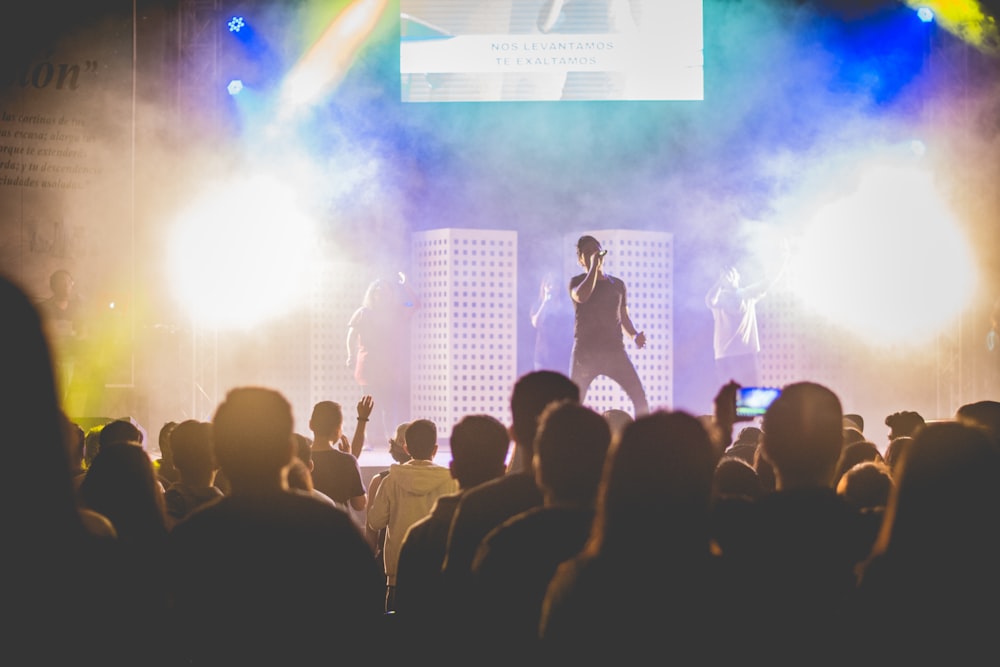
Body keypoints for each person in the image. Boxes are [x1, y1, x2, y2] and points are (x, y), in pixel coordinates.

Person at [167, 386, 384, 664]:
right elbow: (365, 623)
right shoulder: (333, 529)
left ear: (218, 454)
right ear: (289, 451)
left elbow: (178, 631)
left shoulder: (193, 536)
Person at [367, 419, 457, 612]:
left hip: (398, 575)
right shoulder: (451, 480)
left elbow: (375, 522)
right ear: (435, 449)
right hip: (438, 571)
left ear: (406, 448)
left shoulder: (390, 481)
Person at [568, 235, 649, 416]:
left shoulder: (617, 284)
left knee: (639, 397)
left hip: (614, 351)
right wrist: (593, 270)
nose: (593, 255)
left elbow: (623, 318)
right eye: (587, 253)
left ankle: (645, 438)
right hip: (585, 353)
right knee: (573, 403)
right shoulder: (576, 282)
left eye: (596, 250)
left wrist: (635, 336)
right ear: (581, 259)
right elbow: (581, 296)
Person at [347, 274, 420, 448]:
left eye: (384, 293)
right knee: (370, 405)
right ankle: (367, 440)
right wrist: (350, 355)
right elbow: (351, 336)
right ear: (372, 294)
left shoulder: (396, 312)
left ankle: (392, 440)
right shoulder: (363, 313)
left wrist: (406, 286)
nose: (380, 296)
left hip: (388, 367)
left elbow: (414, 304)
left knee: (389, 407)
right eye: (377, 293)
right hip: (369, 366)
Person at [705, 244, 789, 387]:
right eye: (726, 273)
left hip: (747, 355)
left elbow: (769, 281)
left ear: (738, 276)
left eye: (732, 272)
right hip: (725, 356)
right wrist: (720, 282)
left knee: (751, 397)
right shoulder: (720, 298)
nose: (730, 275)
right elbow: (710, 300)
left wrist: (784, 258)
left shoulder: (747, 294)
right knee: (728, 398)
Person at [530, 271, 574, 373]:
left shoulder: (566, 306)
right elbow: (535, 323)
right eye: (549, 284)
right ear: (544, 287)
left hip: (561, 356)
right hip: (543, 357)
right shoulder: (538, 305)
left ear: (559, 287)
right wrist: (545, 302)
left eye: (555, 284)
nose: (552, 288)